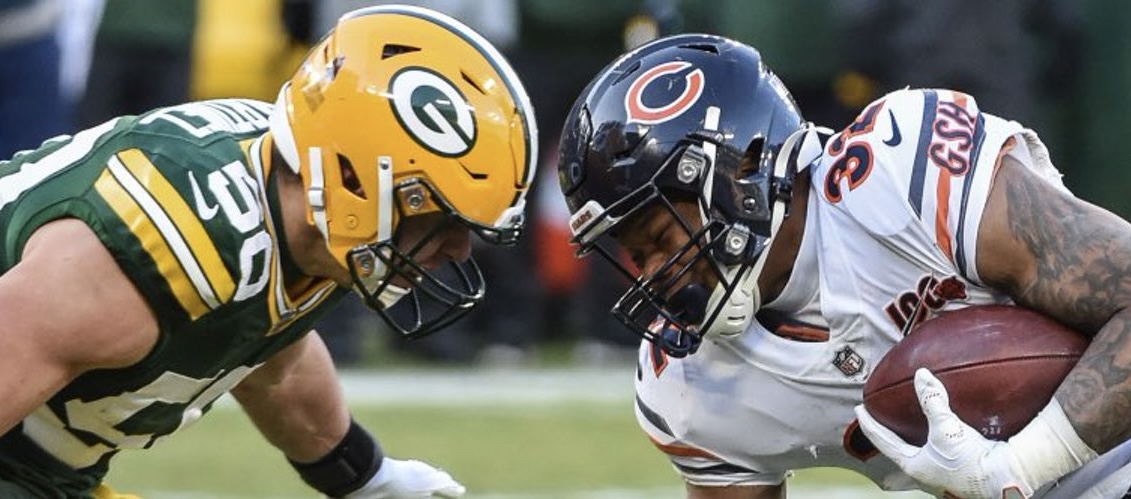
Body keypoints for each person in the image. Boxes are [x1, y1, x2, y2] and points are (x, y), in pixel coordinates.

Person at [556, 33, 1131, 498]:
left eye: (660, 235)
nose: (655, 272)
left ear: (744, 171)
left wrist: (1020, 467)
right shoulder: (691, 386)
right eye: (637, 255)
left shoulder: (900, 177)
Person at [0, 4, 536, 498]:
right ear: (351, 178)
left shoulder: (308, 216)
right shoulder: (146, 254)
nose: (458, 248)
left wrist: (366, 475)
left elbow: (276, 356)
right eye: (438, 216)